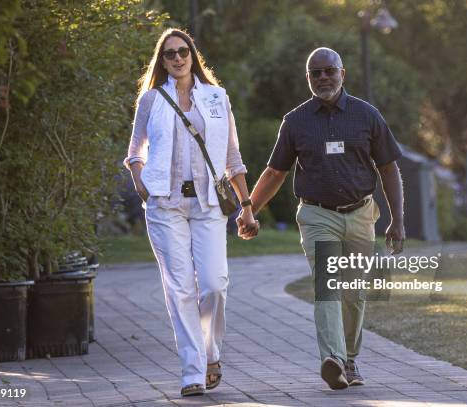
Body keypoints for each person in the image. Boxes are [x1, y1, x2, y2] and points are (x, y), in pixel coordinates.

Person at [240, 47, 405, 390]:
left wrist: (397, 219)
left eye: (329, 71)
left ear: (342, 74)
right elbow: (275, 172)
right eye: (316, 73)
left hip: (360, 214)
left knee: (354, 294)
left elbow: (389, 168)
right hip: (317, 215)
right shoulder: (296, 121)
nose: (323, 78)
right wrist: (249, 210)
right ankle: (332, 358)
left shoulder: (367, 115)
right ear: (308, 78)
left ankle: (349, 358)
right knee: (327, 286)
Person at [124, 28, 258, 397]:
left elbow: (233, 158)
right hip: (165, 205)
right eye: (170, 54)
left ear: (192, 54)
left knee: (214, 284)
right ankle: (192, 372)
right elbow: (135, 150)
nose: (178, 58)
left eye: (183, 51)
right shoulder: (152, 99)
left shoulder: (216, 97)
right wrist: (140, 181)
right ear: (162, 60)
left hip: (208, 204)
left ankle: (211, 351)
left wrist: (246, 207)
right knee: (180, 289)